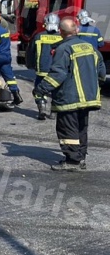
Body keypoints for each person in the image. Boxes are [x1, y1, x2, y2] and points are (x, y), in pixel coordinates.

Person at [33, 16, 105, 171]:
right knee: (81, 128)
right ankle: (80, 158)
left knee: (67, 128)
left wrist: (41, 89)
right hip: (89, 97)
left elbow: (57, 75)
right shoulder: (90, 47)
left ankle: (72, 161)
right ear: (77, 30)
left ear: (61, 32)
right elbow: (101, 73)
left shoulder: (63, 49)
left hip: (69, 98)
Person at [25, 13, 62, 120]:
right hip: (57, 72)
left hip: (42, 70)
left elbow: (30, 53)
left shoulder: (38, 36)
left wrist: (30, 65)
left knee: (39, 90)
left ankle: (42, 107)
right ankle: (54, 113)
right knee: (57, 92)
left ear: (45, 24)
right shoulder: (62, 37)